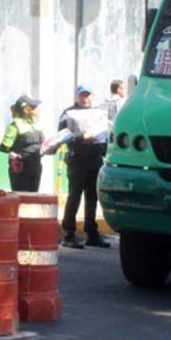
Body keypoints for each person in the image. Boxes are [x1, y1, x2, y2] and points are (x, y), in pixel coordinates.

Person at [59, 85, 110, 249]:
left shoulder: (98, 113)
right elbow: (62, 135)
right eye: (82, 95)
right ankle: (69, 233)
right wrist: (81, 138)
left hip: (95, 158)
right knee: (74, 196)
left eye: (88, 95)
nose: (85, 98)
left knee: (92, 196)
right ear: (76, 96)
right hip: (77, 159)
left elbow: (105, 133)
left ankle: (91, 232)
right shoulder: (68, 113)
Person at [0, 94, 44, 192]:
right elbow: (4, 147)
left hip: (36, 167)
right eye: (34, 107)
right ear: (26, 110)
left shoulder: (34, 124)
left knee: (33, 200)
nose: (37, 110)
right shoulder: (15, 125)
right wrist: (14, 156)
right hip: (21, 170)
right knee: (22, 200)